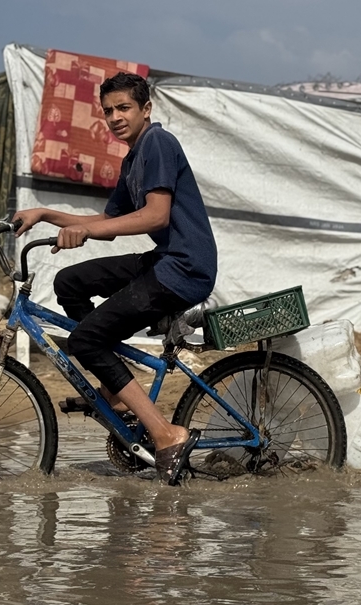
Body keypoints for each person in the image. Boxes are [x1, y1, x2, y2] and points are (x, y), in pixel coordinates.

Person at [13, 72, 217, 485]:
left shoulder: (158, 143)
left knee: (87, 340)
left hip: (184, 269)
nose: (115, 117)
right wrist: (44, 214)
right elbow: (108, 218)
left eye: (124, 108)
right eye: (108, 111)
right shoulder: (133, 158)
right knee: (70, 283)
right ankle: (118, 385)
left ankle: (166, 435)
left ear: (146, 109)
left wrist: (86, 233)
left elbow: (156, 215)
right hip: (164, 261)